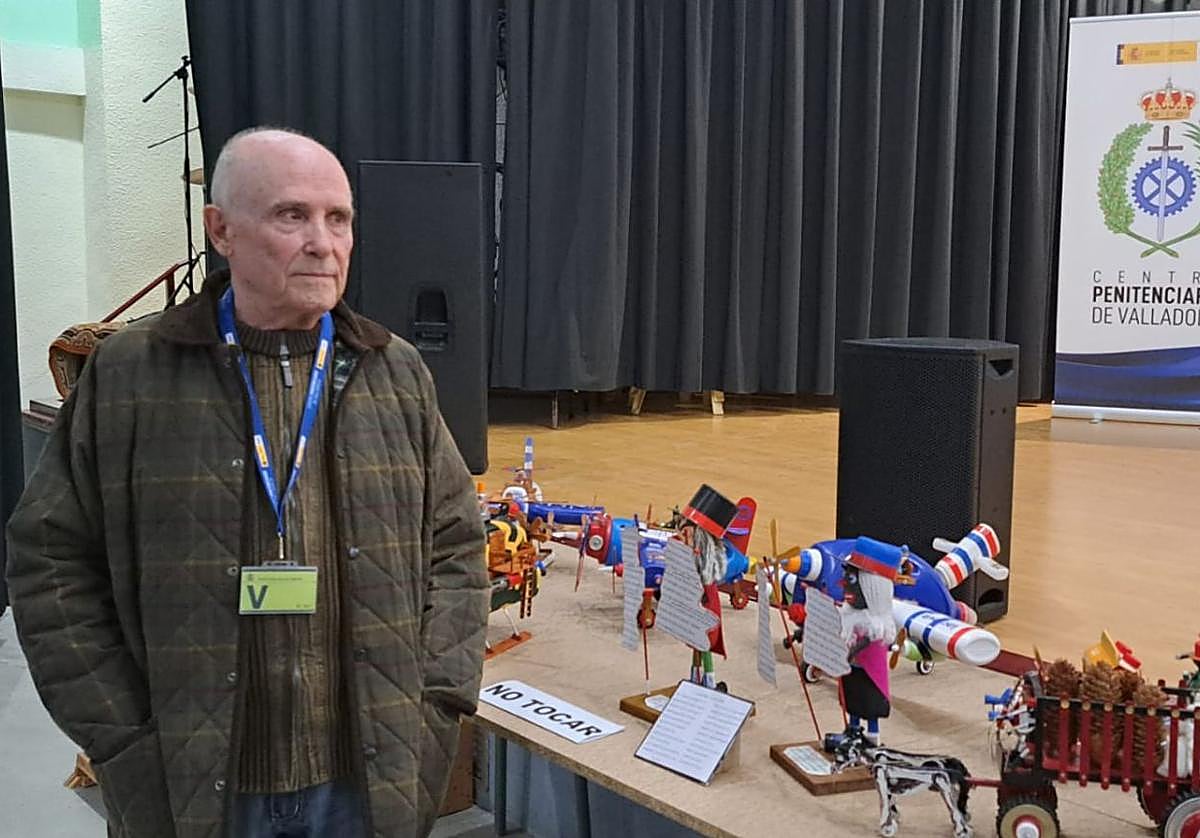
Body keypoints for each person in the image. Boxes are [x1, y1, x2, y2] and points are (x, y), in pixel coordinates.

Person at [5, 127, 489, 838]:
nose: (323, 242)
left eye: (339, 218)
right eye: (292, 215)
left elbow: (457, 545)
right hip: (191, 781)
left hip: (369, 780)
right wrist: (122, 735)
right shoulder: (131, 376)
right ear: (222, 230)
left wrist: (435, 704)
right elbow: (49, 560)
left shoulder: (396, 373)